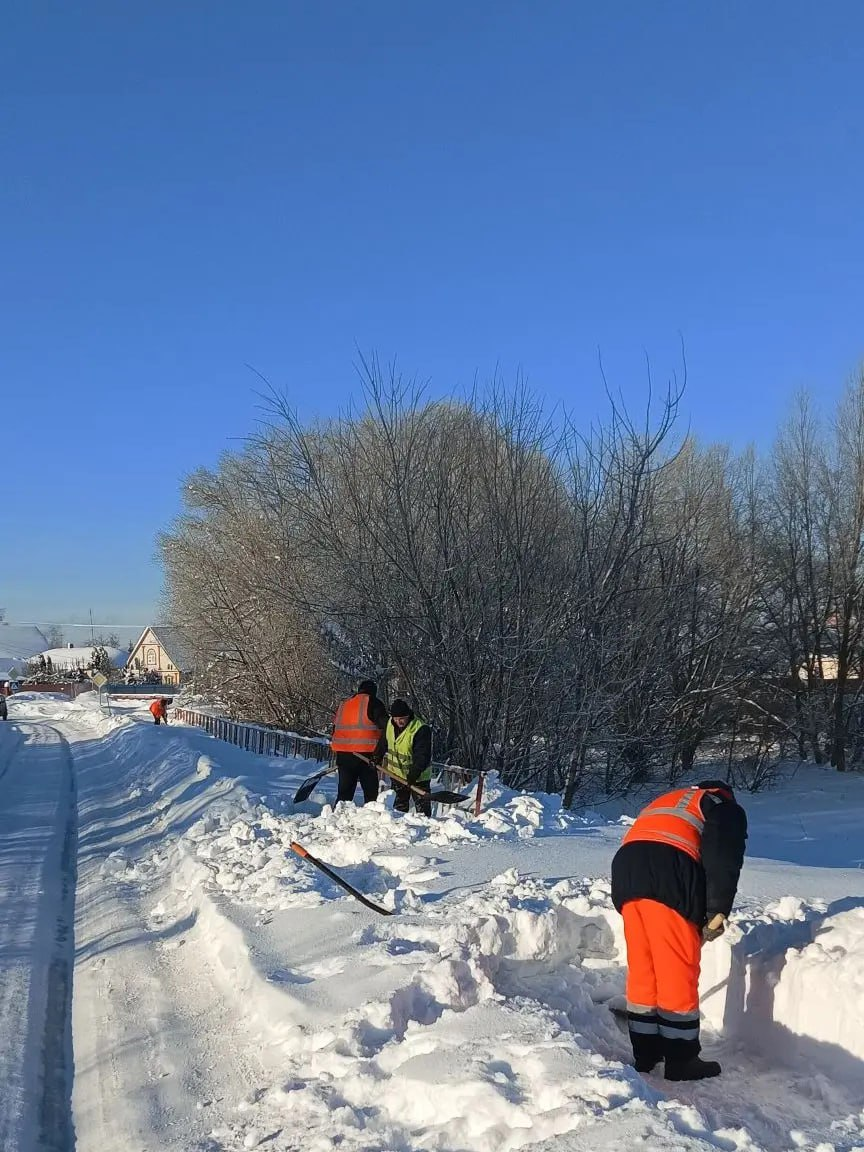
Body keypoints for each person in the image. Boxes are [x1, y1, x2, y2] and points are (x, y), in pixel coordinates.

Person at [611, 779, 747, 1081]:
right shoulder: (722, 806)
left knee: (645, 968)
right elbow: (723, 859)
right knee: (676, 970)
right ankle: (681, 1059)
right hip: (668, 871)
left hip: (628, 873)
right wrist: (716, 911)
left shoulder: (672, 799)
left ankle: (646, 1053)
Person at [330, 679, 388, 805]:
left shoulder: (344, 705)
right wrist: (378, 755)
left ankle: (339, 816)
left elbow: (334, 729)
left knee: (344, 793)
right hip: (367, 756)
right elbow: (388, 729)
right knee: (370, 794)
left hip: (344, 755)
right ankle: (370, 817)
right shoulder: (373, 703)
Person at [380, 699, 433, 816]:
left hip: (419, 778)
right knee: (398, 809)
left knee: (422, 811)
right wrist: (376, 756)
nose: (399, 721)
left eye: (402, 718)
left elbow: (422, 756)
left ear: (408, 715)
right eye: (396, 719)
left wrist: (413, 774)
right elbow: (383, 742)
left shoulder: (420, 728)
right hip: (397, 776)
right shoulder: (390, 724)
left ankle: (426, 830)